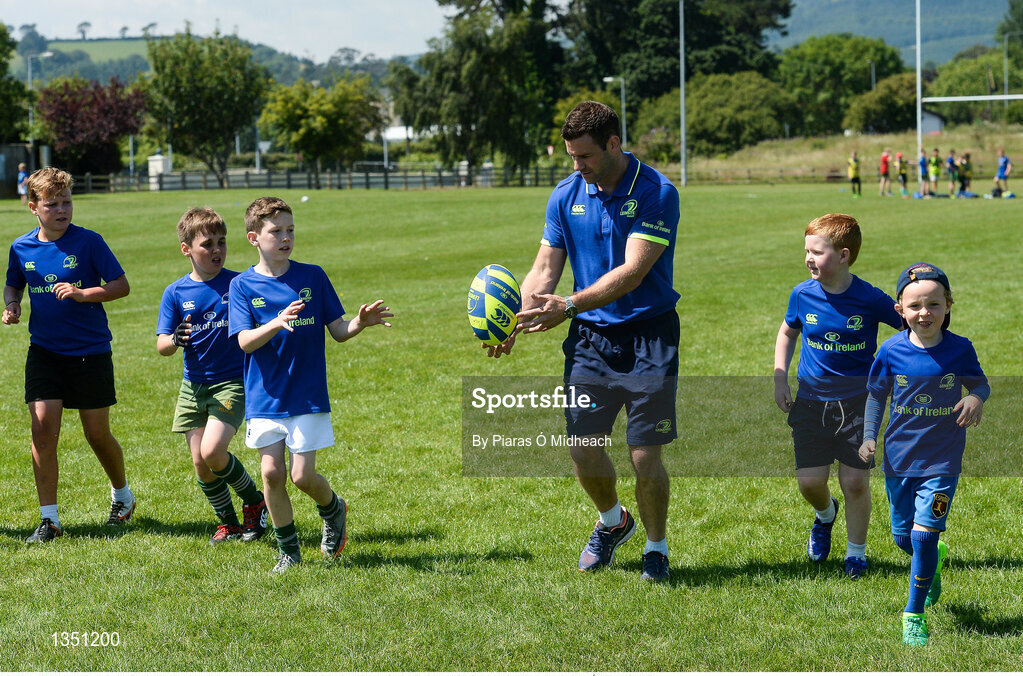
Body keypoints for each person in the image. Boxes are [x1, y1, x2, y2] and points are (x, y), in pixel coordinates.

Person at [486, 101, 680, 583]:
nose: (577, 166)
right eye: (572, 157)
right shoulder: (565, 194)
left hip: (648, 336)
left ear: (614, 144)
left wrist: (568, 305)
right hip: (590, 339)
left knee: (643, 452)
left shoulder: (657, 192)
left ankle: (656, 548)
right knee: (582, 447)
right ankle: (613, 522)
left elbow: (634, 272)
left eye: (585, 157)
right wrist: (517, 315)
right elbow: (546, 267)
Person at [228, 196, 393, 573]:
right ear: (254, 238)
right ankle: (289, 551)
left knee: (302, 476)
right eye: (276, 232)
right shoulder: (242, 286)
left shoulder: (312, 276)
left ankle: (333, 509)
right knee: (271, 473)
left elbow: (337, 330)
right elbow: (244, 341)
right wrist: (274, 322)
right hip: (265, 396)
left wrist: (359, 323)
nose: (285, 238)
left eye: (290, 230)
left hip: (307, 393)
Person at [2, 167, 136, 542]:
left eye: (67, 202)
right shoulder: (22, 247)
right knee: (43, 431)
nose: (62, 210)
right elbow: (14, 284)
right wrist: (12, 305)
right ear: (33, 207)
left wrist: (84, 294)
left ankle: (122, 495)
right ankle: (50, 520)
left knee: (97, 434)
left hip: (90, 352)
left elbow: (121, 285)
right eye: (52, 204)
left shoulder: (90, 242)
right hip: (44, 352)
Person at [858, 262, 988, 647]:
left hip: (943, 462)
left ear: (948, 305)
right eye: (915, 306)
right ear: (900, 310)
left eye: (933, 304)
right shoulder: (890, 350)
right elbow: (876, 395)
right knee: (904, 538)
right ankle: (932, 559)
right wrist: (868, 437)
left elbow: (980, 382)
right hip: (899, 459)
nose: (924, 313)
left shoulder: (960, 348)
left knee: (923, 535)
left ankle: (913, 614)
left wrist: (976, 396)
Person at [773, 214, 902, 579]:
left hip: (860, 404)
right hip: (811, 402)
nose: (808, 259)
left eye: (817, 252)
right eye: (806, 251)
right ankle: (826, 514)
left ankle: (856, 554)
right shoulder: (802, 293)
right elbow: (787, 332)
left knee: (855, 482)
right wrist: (781, 378)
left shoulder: (870, 298)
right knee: (810, 483)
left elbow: (910, 325)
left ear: (844, 255)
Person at [157, 207, 269, 544]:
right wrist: (174, 339)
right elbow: (162, 344)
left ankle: (255, 501)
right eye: (207, 244)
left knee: (213, 452)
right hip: (193, 385)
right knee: (201, 462)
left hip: (232, 381)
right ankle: (229, 523)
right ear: (186, 249)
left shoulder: (239, 283)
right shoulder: (175, 293)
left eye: (222, 242)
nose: (217, 250)